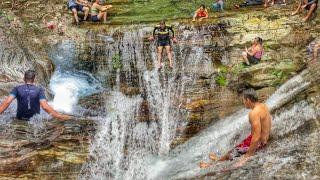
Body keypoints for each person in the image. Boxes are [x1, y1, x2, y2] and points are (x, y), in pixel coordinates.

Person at [199, 88, 272, 168]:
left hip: (259, 143)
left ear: (248, 100)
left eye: (243, 100)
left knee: (232, 153)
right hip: (262, 140)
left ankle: (211, 165)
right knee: (232, 150)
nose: (243, 103)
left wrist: (248, 156)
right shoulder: (263, 106)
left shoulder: (254, 113)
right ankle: (219, 159)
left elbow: (256, 137)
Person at [0, 70, 72, 121]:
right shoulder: (39, 90)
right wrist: (59, 116)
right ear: (33, 79)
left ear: (24, 78)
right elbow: (45, 106)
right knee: (51, 106)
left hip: (20, 119)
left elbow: (7, 102)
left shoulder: (17, 89)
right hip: (34, 121)